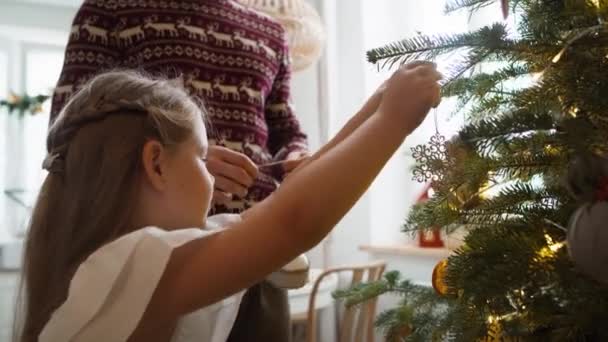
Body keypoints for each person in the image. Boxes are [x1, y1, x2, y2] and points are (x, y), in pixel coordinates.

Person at [17, 61, 441, 342]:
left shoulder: (120, 263)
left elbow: (287, 201)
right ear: (157, 166)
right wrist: (393, 123)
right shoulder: (131, 261)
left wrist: (378, 104)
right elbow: (291, 222)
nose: (211, 173)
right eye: (202, 159)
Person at [50, 1, 309, 338]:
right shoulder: (108, 10)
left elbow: (286, 129)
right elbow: (69, 140)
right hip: (148, 261)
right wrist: (184, 166)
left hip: (257, 253)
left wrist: (297, 155)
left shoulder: (272, 33)